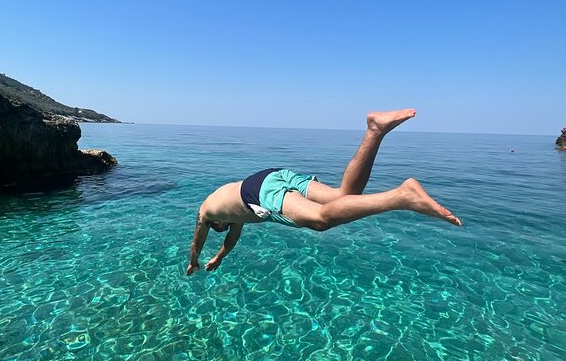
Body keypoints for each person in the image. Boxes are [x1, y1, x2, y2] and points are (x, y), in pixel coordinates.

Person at [186, 109, 462, 276]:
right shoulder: (229, 213)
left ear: (217, 224)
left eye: (221, 227)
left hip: (258, 191)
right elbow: (232, 240)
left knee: (319, 220)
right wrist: (220, 257)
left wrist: (193, 262)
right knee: (345, 195)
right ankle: (375, 130)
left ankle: (402, 197)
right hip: (271, 176)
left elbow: (196, 240)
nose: (227, 228)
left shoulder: (206, 213)